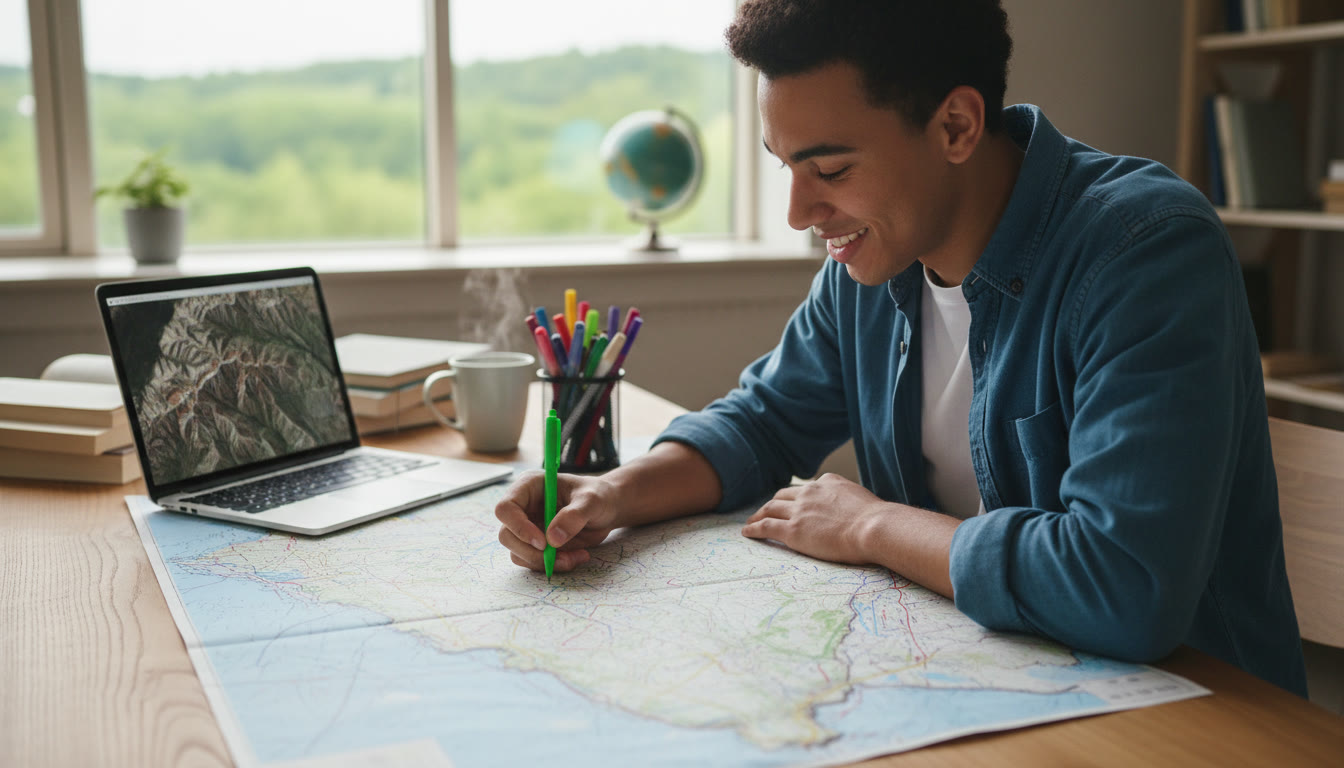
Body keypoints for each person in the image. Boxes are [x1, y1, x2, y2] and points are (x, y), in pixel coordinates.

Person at [495, 0, 1308, 696]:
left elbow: (1124, 587)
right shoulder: (871, 267)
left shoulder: (1146, 250)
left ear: (955, 125)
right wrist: (610, 495)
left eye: (832, 169)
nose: (797, 212)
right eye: (784, 167)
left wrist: (872, 527)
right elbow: (761, 426)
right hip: (989, 683)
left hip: (1190, 714)